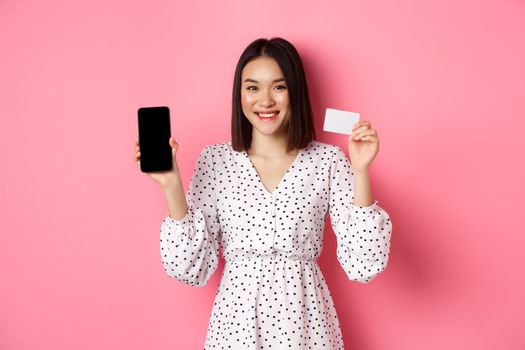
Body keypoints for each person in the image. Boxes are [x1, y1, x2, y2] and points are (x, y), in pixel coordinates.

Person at [134, 37, 392, 349]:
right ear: (239, 94)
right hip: (236, 327)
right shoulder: (216, 160)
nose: (265, 100)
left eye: (279, 87)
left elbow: (365, 263)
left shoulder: (328, 160)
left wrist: (361, 168)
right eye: (253, 87)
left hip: (305, 324)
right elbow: (190, 268)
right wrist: (171, 185)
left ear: (295, 92)